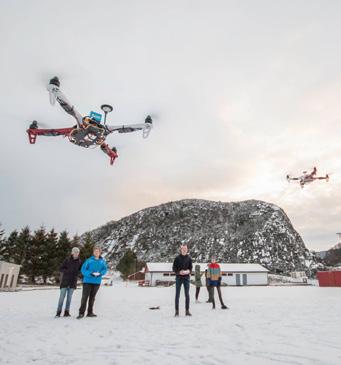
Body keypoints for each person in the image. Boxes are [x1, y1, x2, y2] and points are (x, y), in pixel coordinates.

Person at [77, 246, 107, 319]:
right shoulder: (89, 260)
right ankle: (81, 313)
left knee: (92, 298)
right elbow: (83, 270)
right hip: (87, 281)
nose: (96, 252)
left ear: (100, 253)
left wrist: (100, 273)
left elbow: (105, 269)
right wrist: (90, 273)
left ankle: (90, 312)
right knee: (84, 297)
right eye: (95, 251)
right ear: (93, 252)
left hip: (97, 282)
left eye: (98, 251)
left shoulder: (102, 261)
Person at [56, 247, 82, 317]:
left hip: (72, 282)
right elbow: (61, 268)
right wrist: (68, 271)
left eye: (77, 252)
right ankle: (58, 312)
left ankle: (66, 312)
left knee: (69, 298)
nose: (76, 253)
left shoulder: (80, 261)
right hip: (65, 281)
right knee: (61, 298)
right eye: (75, 252)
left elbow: (81, 271)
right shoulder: (67, 260)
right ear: (72, 252)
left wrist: (78, 273)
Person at [172, 244, 193, 316]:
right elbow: (174, 268)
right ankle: (176, 311)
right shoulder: (177, 258)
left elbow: (191, 268)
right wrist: (178, 272)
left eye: (185, 249)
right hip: (178, 278)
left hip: (186, 278)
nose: (184, 250)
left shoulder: (189, 258)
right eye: (183, 249)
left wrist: (188, 271)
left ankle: (187, 311)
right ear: (181, 250)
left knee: (187, 295)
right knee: (177, 295)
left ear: (187, 250)